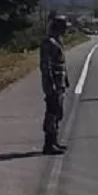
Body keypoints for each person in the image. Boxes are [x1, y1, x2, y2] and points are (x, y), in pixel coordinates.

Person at [40, 16, 70, 155]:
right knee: (52, 113)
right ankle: (48, 144)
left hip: (60, 83)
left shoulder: (58, 41)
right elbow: (46, 66)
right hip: (53, 84)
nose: (66, 30)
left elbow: (61, 63)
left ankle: (54, 141)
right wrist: (51, 84)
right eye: (64, 27)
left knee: (58, 112)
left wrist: (66, 79)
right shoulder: (49, 42)